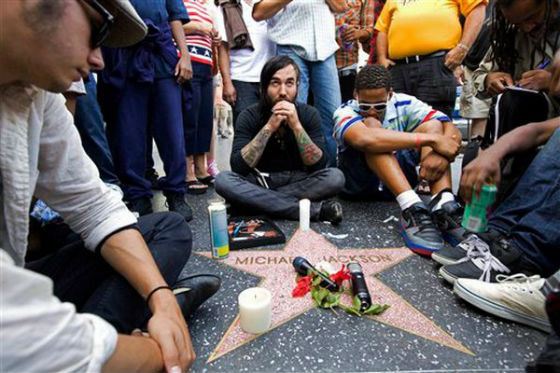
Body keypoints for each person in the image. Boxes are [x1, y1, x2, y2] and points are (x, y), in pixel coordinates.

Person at [0, 1, 218, 371]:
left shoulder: (35, 90)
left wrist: (161, 298)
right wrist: (159, 354)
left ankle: (133, 321)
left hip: (19, 287)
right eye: (97, 31)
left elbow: (92, 204)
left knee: (168, 228)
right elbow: (16, 338)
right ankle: (124, 331)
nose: (100, 60)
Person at [333, 65, 463, 255]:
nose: (372, 111)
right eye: (365, 106)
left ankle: (444, 204)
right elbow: (366, 139)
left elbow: (449, 129)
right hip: (359, 184)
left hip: (400, 176)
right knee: (373, 136)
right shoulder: (344, 110)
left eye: (379, 106)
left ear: (390, 94)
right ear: (355, 95)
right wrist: (432, 141)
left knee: (434, 125)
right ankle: (412, 208)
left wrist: (439, 154)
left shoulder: (405, 103)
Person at [215, 56, 345, 223]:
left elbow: (318, 165)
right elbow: (238, 167)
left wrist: (296, 125)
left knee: (335, 177)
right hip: (260, 180)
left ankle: (252, 203)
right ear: (263, 87)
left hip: (300, 181)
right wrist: (269, 126)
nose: (283, 92)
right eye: (275, 83)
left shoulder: (309, 114)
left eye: (289, 83)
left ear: (297, 87)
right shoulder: (249, 115)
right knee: (223, 181)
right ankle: (314, 211)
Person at [98, 0, 194, 220]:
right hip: (122, 57)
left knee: (172, 132)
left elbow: (174, 15)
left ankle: (176, 193)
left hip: (161, 54)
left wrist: (185, 55)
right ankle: (138, 194)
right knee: (128, 132)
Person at [252, 0, 347, 166]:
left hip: (325, 49)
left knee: (333, 116)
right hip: (290, 46)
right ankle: (293, 174)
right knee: (289, 114)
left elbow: (341, 7)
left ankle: (330, 174)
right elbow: (258, 13)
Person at [375, 0, 487, 117]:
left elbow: (477, 9)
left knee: (435, 122)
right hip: (398, 69)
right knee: (396, 121)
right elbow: (382, 29)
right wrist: (382, 58)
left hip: (435, 64)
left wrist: (463, 48)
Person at [472, 0, 560, 107]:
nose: (526, 28)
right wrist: (488, 80)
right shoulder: (512, 34)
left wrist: (552, 80)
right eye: (517, 23)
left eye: (531, 17)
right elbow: (479, 75)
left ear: (553, 4)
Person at [216, 0, 276, 126]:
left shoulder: (271, 5)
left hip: (270, 79)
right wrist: (227, 83)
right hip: (242, 79)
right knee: (246, 129)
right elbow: (223, 48)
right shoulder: (228, 6)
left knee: (272, 129)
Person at [182, 0, 221, 194]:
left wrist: (213, 39)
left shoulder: (203, 6)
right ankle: (187, 171)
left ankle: (201, 167)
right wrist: (199, 27)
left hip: (206, 67)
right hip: (189, 63)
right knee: (190, 117)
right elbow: (172, 25)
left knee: (204, 119)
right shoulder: (178, 3)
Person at [334, 0, 375, 102]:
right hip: (317, 60)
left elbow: (370, 29)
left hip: (346, 64)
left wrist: (358, 33)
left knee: (347, 109)